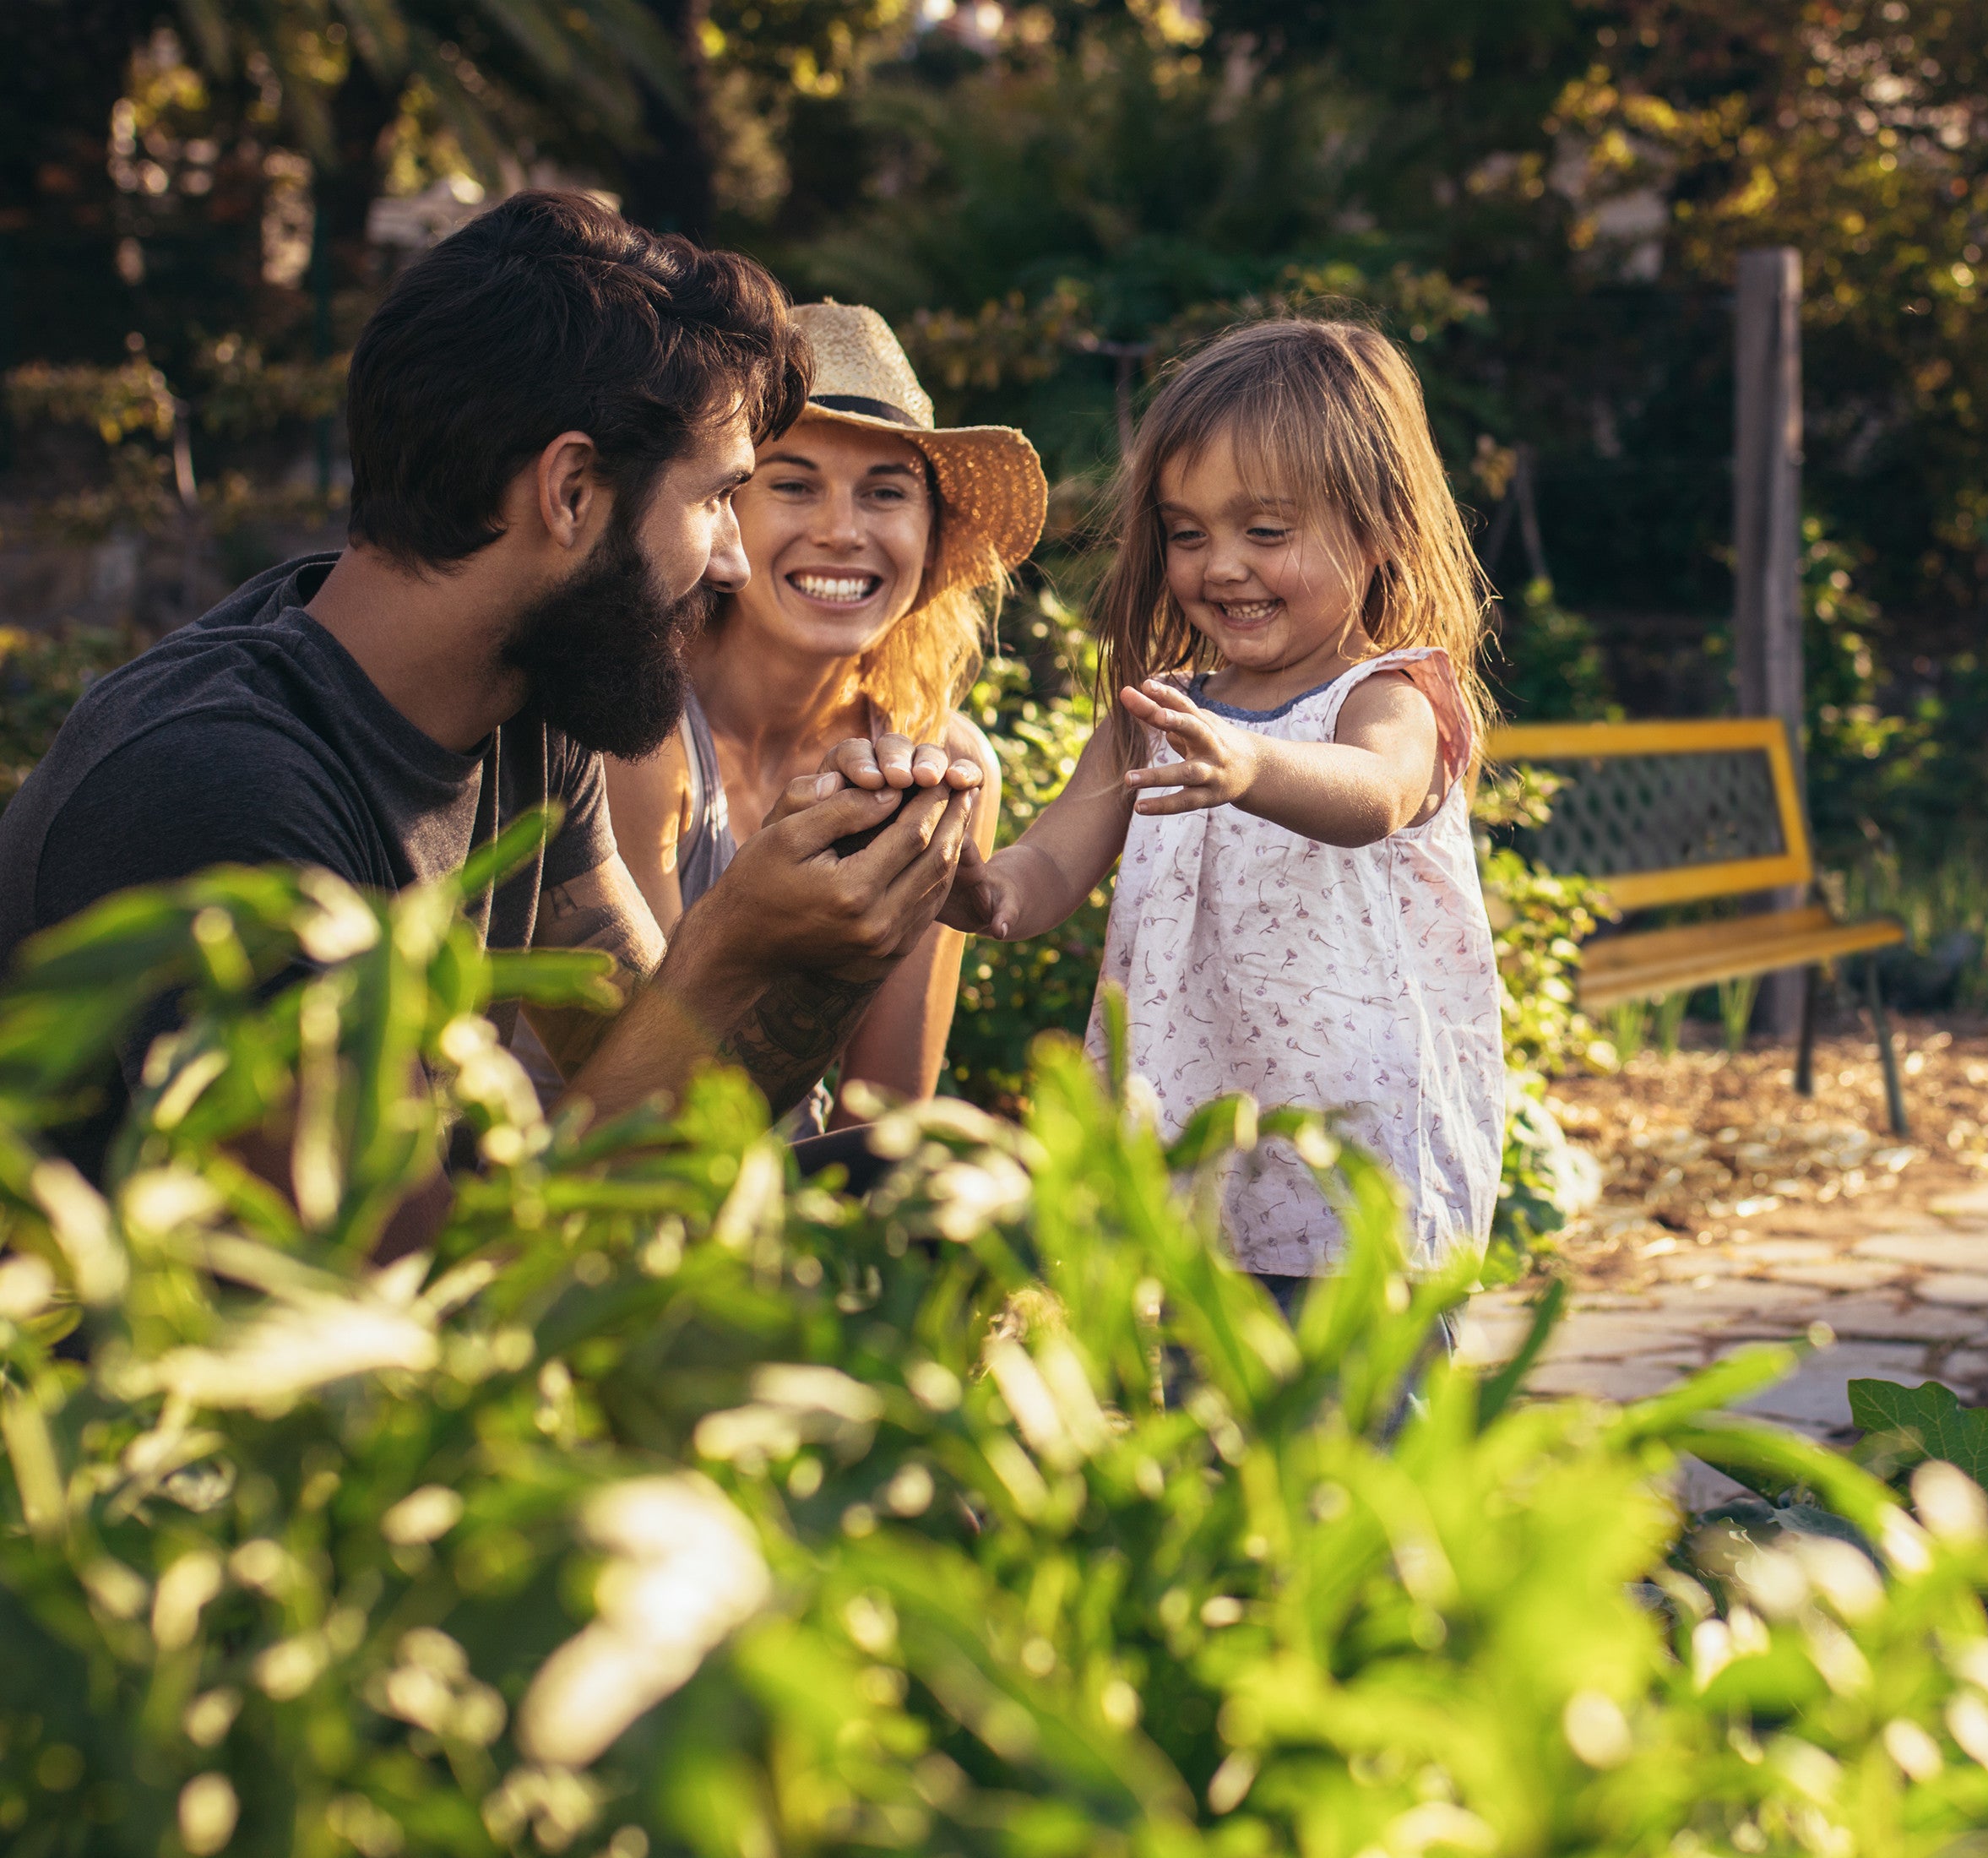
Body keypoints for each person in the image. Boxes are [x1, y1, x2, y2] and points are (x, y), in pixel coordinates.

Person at [0, 193, 979, 1219]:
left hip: (431, 1311)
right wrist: (733, 942)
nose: (734, 560)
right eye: (712, 500)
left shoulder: (527, 696)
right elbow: (410, 1314)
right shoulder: (218, 793)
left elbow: (663, 1110)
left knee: (935, 1189)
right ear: (568, 492)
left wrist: (819, 948)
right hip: (172, 1362)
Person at [941, 317, 1506, 1300]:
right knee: (1214, 1436)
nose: (1221, 565)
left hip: (1356, 1171)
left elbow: (1374, 794)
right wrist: (962, 885)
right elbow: (1040, 876)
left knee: (1357, 1437)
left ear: (1376, 534)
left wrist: (1252, 764)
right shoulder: (1156, 717)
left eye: (1266, 532)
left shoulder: (1390, 694)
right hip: (1196, 1171)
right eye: (1187, 533)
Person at [600, 302, 1044, 1128]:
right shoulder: (638, 727)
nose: (843, 532)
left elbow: (879, 1116)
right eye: (795, 485)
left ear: (933, 533)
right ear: (724, 510)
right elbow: (641, 1090)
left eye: (885, 493)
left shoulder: (940, 763)